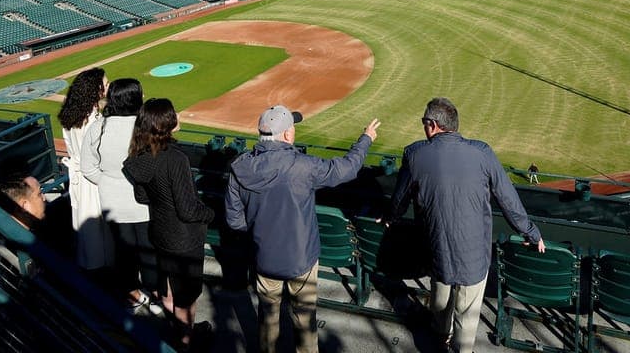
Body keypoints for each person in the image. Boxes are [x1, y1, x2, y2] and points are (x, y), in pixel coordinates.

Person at [388, 97, 545, 353]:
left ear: (432, 125)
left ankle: (440, 337)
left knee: (440, 303)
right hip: (472, 257)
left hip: (437, 251)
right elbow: (508, 199)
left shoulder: (414, 153)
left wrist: (391, 217)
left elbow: (399, 199)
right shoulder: (482, 152)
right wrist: (531, 232)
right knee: (466, 316)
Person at [224, 104, 380, 353]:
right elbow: (346, 169)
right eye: (292, 127)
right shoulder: (302, 166)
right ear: (286, 135)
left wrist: (259, 231)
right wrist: (365, 140)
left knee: (268, 317)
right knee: (304, 320)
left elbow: (235, 222)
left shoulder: (240, 168)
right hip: (301, 260)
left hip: (264, 258)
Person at [123, 98, 214, 352]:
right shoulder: (176, 159)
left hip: (159, 233)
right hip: (184, 239)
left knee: (168, 291)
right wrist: (210, 214)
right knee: (186, 297)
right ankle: (185, 344)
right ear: (167, 123)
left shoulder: (138, 156)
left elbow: (142, 197)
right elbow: (188, 209)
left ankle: (180, 333)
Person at [81, 77, 159, 313]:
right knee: (149, 251)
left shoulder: (99, 126)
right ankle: (154, 296)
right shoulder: (145, 126)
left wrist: (107, 181)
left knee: (124, 253)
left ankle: (132, 297)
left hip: (113, 203)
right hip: (144, 201)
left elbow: (88, 167)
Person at [57, 67, 114, 272]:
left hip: (79, 177)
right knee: (97, 228)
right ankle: (101, 270)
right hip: (93, 177)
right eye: (105, 85)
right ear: (94, 89)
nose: (107, 87)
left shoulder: (71, 114)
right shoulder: (92, 120)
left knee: (86, 227)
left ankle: (91, 265)